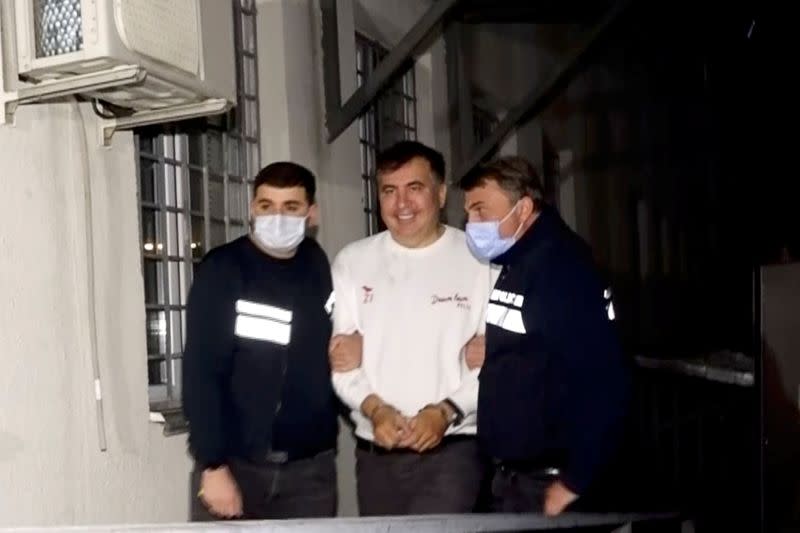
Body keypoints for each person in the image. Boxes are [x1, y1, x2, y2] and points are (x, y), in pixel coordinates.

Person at [458, 156, 631, 516]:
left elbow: (603, 379)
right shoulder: (520, 260)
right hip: (515, 477)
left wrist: (573, 484)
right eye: (468, 213)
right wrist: (499, 353)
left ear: (522, 208)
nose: (471, 224)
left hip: (547, 481)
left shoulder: (560, 268)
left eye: (480, 211)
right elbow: (541, 341)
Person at [329, 140, 492, 516]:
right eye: (389, 191)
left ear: (440, 193)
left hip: (452, 452)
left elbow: (495, 362)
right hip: (376, 454)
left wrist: (446, 410)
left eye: (414, 189)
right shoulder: (353, 262)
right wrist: (375, 409)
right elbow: (342, 364)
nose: (401, 204)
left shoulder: (480, 262)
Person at [182, 162, 338, 520]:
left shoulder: (317, 266)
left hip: (309, 472)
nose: (277, 217)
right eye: (267, 206)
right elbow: (202, 373)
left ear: (311, 214)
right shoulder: (223, 270)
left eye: (291, 207)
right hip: (237, 466)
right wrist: (213, 464)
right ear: (253, 208)